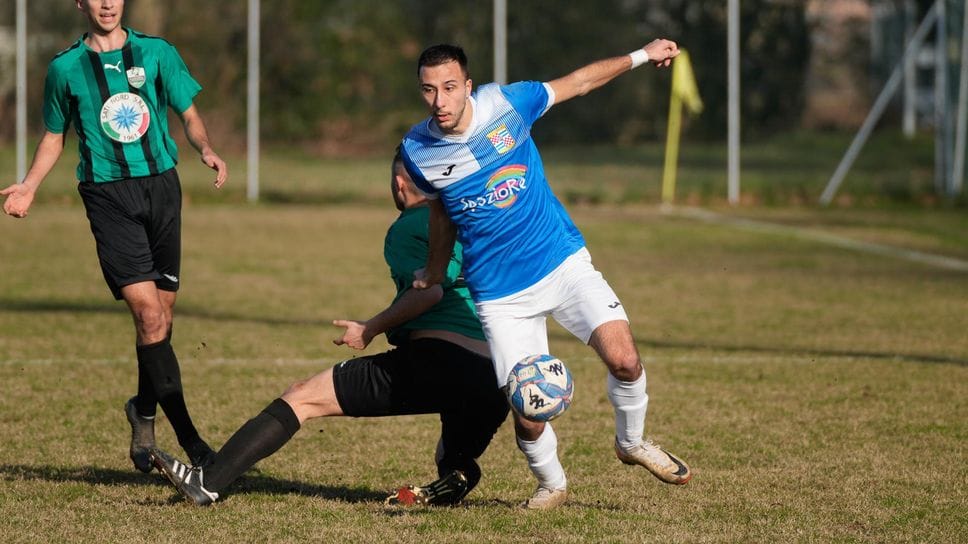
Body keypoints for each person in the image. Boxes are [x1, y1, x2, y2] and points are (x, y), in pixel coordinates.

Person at [399, 41, 691, 510]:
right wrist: (435, 269)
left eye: (450, 87)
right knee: (528, 409)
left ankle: (631, 442)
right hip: (499, 296)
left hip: (562, 263)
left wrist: (641, 55)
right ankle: (552, 484)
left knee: (625, 361)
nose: (440, 101)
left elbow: (578, 82)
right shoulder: (418, 150)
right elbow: (442, 215)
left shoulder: (508, 104)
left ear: (468, 87)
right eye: (429, 90)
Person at [148, 151, 509, 506]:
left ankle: (207, 481)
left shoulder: (408, 227)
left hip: (441, 359)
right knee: (453, 453)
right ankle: (456, 478)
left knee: (302, 396)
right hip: (495, 377)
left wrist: (370, 327)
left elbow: (429, 292)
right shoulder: (468, 221)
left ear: (400, 184)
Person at [1, 0, 227, 470]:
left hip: (162, 188)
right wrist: (29, 185)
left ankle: (142, 410)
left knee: (162, 319)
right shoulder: (65, 68)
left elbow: (188, 112)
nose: (107, 3)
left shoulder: (158, 53)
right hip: (107, 196)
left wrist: (205, 147)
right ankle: (194, 445)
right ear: (80, 3)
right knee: (148, 317)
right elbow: (54, 135)